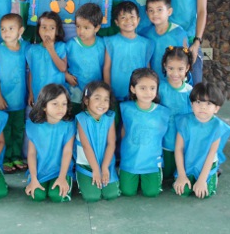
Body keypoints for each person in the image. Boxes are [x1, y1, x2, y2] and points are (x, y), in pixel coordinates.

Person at [173, 83, 230, 199]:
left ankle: (214, 173)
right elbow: (179, 149)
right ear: (191, 104)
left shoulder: (217, 126)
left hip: (206, 164)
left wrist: (202, 180)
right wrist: (181, 175)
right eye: (198, 102)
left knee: (203, 193)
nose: (203, 107)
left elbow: (211, 153)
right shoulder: (185, 121)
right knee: (183, 191)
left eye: (209, 103)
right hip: (189, 162)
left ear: (216, 108)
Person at [119, 69, 169, 197]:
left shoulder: (163, 112)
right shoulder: (125, 108)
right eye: (143, 88)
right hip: (130, 160)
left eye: (152, 88)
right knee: (127, 191)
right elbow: (123, 132)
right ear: (133, 89)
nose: (148, 92)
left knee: (151, 192)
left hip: (151, 161)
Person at [0, 13, 29, 174]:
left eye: (11, 28)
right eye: (3, 29)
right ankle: (5, 158)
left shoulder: (25, 48)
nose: (6, 32)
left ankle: (16, 156)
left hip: (20, 99)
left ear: (21, 30)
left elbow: (29, 72)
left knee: (18, 129)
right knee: (5, 130)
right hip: (3, 100)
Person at [25, 84, 75, 202]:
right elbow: (31, 154)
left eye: (64, 104)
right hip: (40, 170)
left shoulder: (68, 126)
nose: (60, 108)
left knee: (56, 196)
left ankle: (65, 180)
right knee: (37, 196)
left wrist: (62, 178)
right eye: (55, 104)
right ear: (44, 106)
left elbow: (67, 152)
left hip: (61, 170)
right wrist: (33, 178)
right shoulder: (34, 126)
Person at [74, 81, 120, 202]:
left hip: (105, 163)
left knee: (111, 194)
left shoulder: (109, 117)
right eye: (97, 98)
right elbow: (86, 146)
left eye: (106, 99)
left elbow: (111, 143)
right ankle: (82, 177)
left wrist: (104, 167)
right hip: (87, 165)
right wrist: (95, 169)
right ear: (86, 101)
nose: (102, 103)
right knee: (92, 196)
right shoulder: (81, 118)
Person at [103, 1, 154, 104]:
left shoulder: (146, 43)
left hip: (138, 93)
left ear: (138, 20)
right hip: (116, 92)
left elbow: (147, 70)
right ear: (116, 22)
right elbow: (107, 68)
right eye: (123, 18)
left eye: (132, 17)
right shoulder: (111, 41)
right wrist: (108, 91)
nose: (128, 21)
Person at [158, 46, 193, 179]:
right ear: (165, 66)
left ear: (187, 68)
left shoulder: (190, 91)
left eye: (180, 69)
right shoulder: (159, 88)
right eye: (171, 68)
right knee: (166, 177)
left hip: (184, 143)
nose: (175, 73)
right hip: (163, 143)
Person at [65, 3, 105, 116]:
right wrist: (66, 75)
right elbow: (60, 64)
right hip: (74, 92)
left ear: (97, 28)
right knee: (73, 117)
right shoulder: (70, 45)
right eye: (78, 26)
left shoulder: (102, 45)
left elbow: (105, 67)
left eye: (86, 27)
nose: (81, 31)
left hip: (94, 93)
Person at [141, 0, 188, 79]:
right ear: (147, 13)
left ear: (169, 11)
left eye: (159, 10)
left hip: (174, 82)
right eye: (151, 10)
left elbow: (185, 60)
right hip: (152, 84)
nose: (155, 14)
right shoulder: (144, 34)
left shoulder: (179, 33)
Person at [26, 11, 67, 105]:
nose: (47, 31)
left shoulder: (61, 47)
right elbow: (31, 73)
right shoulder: (32, 49)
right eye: (43, 27)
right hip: (38, 93)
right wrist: (31, 93)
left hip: (57, 95)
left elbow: (62, 68)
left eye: (52, 28)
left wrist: (51, 50)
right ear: (38, 30)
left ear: (57, 31)